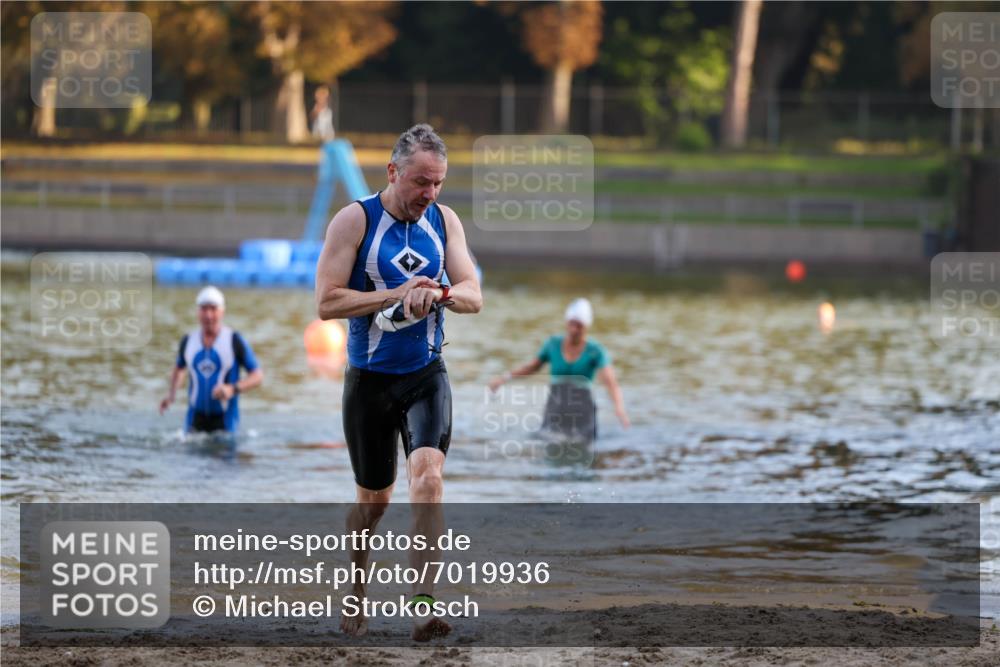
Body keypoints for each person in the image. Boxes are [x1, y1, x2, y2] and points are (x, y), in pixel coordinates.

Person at [314, 124, 482, 640]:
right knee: (374, 505)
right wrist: (394, 294)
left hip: (425, 376)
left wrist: (440, 293)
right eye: (420, 183)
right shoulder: (354, 220)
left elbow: (475, 294)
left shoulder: (444, 221)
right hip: (368, 383)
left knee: (428, 480)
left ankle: (424, 602)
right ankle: (357, 590)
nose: (429, 194)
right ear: (393, 172)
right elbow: (326, 302)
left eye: (438, 183)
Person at [489, 298, 629, 440]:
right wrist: (504, 378)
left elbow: (610, 382)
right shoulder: (553, 344)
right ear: (567, 322)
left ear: (587, 326)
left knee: (583, 446)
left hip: (582, 406)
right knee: (546, 441)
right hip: (556, 404)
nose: (574, 329)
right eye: (571, 323)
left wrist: (619, 408)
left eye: (579, 325)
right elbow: (532, 367)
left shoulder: (595, 351)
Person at [159, 286, 264, 434]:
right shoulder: (188, 341)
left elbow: (257, 376)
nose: (208, 315)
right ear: (198, 312)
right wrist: (171, 395)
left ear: (222, 311)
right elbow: (179, 368)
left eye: (213, 309)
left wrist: (232, 389)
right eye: (204, 309)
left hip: (225, 422)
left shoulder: (234, 340)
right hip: (195, 419)